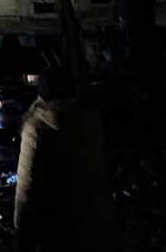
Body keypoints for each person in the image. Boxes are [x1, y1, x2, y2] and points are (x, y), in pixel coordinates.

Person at [14, 66, 118, 252]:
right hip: (95, 218)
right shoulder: (91, 120)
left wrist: (22, 231)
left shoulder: (37, 127)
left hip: (57, 223)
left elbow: (27, 186)